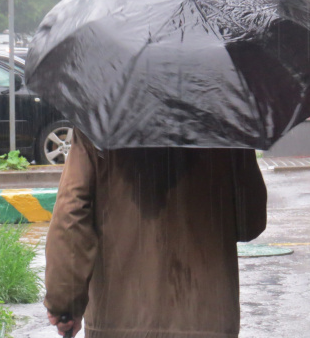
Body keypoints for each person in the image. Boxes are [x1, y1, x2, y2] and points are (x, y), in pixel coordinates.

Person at [44, 128, 267, 337]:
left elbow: (71, 212)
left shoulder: (98, 121)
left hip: (118, 318)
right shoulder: (225, 124)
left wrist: (66, 303)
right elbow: (249, 222)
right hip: (207, 318)